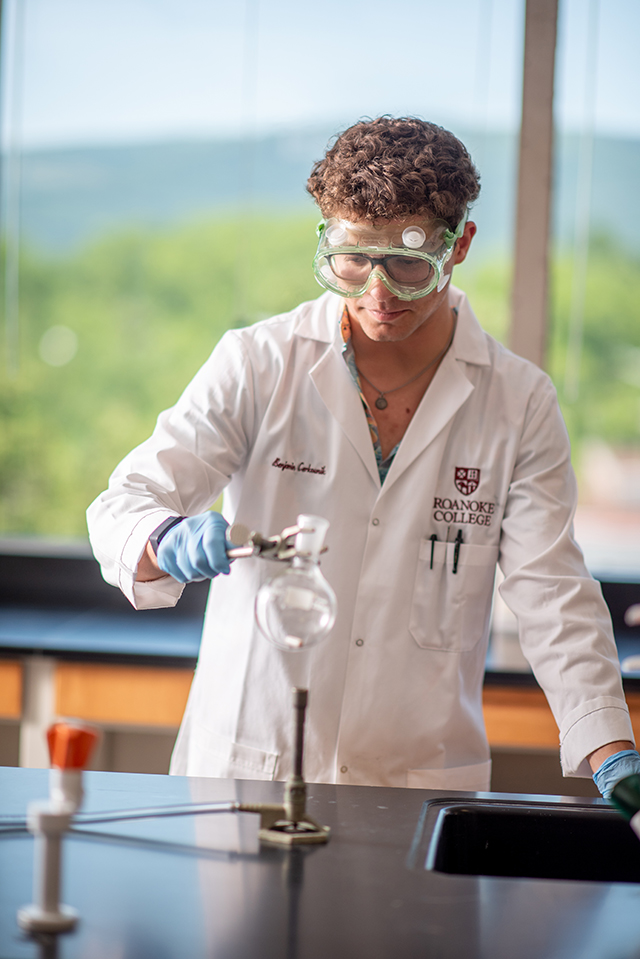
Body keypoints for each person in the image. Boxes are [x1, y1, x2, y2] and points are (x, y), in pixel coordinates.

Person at [87, 116, 639, 796]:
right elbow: (123, 504)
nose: (379, 292)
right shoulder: (261, 363)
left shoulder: (518, 401)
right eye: (353, 259)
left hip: (413, 783)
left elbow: (551, 589)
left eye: (408, 261)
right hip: (245, 772)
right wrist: (162, 536)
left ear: (459, 243)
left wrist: (612, 752)